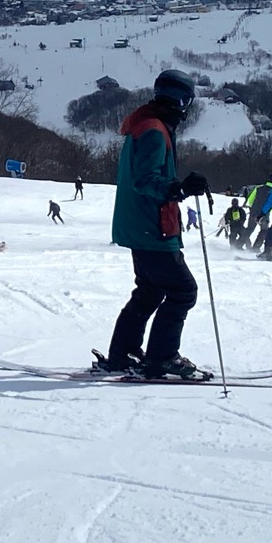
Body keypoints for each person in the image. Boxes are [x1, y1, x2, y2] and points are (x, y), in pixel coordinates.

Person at [95, 69, 210, 379]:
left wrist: (178, 188)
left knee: (150, 290)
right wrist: (179, 189)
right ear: (183, 101)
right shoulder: (154, 130)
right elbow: (145, 179)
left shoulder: (147, 124)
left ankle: (124, 353)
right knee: (183, 290)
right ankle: (162, 357)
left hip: (141, 224)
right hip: (152, 226)